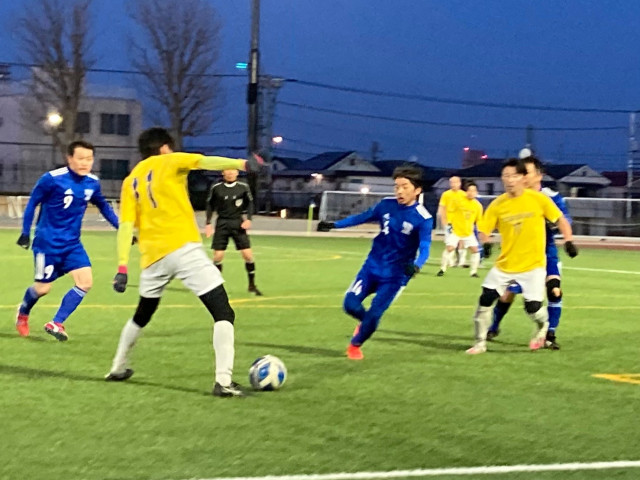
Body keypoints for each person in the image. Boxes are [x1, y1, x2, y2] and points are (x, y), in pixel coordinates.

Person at [104, 127, 263, 398]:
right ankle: (223, 381)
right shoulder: (170, 160)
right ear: (165, 147)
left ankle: (118, 367)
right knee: (223, 312)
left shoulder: (131, 181)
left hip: (152, 258)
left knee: (143, 314)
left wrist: (122, 267)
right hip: (183, 249)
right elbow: (204, 161)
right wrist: (243, 165)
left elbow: (126, 226)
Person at [317, 166, 433, 360]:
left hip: (396, 276)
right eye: (397, 186)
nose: (399, 191)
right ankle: (367, 324)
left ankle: (355, 345)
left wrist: (417, 265)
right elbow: (361, 217)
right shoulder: (385, 205)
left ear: (417, 190)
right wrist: (334, 225)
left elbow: (425, 246)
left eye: (405, 187)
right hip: (372, 267)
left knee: (375, 312)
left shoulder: (423, 218)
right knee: (350, 305)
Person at [466, 158, 578, 355]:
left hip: (537, 261)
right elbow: (483, 229)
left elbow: (561, 219)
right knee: (487, 298)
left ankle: (546, 329)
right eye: (506, 176)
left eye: (515, 175)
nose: (510, 180)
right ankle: (481, 342)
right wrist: (486, 242)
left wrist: (568, 240)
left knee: (539, 302)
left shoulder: (543, 199)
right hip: (506, 263)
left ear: (526, 177)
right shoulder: (498, 204)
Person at [15, 141, 119, 341]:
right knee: (43, 288)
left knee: (85, 282)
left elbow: (104, 207)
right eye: (80, 158)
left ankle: (56, 322)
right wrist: (25, 232)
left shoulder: (92, 183)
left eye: (89, 159)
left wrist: (121, 229)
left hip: (72, 245)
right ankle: (23, 313)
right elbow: (32, 203)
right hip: (47, 244)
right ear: (69, 158)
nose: (85, 163)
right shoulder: (52, 179)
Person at [205, 168, 262, 296]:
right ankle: (216, 287)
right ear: (223, 173)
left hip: (238, 223)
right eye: (227, 171)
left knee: (248, 255)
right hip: (222, 223)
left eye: (233, 171)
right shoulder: (216, 187)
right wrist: (208, 223)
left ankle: (252, 285)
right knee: (218, 256)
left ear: (237, 173)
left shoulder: (243, 187)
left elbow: (250, 203)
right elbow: (209, 205)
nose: (230, 173)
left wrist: (249, 219)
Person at [437, 180, 483, 277]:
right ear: (466, 192)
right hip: (456, 230)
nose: (471, 193)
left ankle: (473, 272)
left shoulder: (478, 206)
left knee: (475, 250)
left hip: (468, 232)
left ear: (476, 192)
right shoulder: (459, 202)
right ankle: (442, 269)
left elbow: (479, 220)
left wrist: (481, 231)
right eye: (470, 190)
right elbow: (450, 212)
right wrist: (448, 223)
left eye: (474, 191)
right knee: (450, 248)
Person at [436, 175, 466, 276]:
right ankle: (450, 261)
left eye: (455, 182)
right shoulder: (446, 194)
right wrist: (443, 220)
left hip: (461, 223)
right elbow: (442, 207)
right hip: (449, 222)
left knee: (462, 241)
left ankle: (461, 261)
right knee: (450, 243)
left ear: (459, 183)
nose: (453, 184)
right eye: (451, 182)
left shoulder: (464, 195)